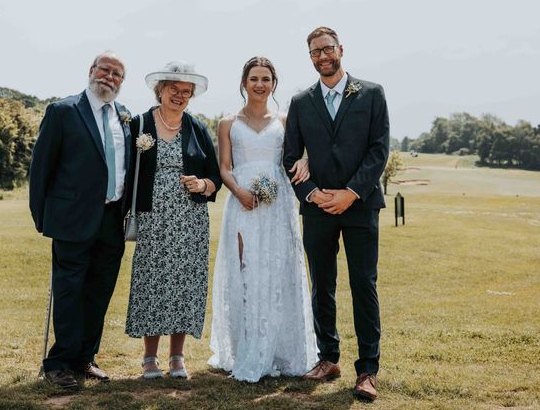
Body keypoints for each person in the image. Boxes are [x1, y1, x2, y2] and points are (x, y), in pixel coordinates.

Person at [283, 27, 390, 401]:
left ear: (340, 49)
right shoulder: (300, 102)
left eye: (327, 49)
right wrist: (311, 194)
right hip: (318, 210)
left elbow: (378, 151)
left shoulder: (372, 93)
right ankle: (328, 358)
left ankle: (367, 371)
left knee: (363, 285)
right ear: (310, 57)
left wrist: (350, 193)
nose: (322, 56)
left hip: (360, 206)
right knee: (321, 285)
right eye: (315, 52)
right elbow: (291, 158)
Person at [208, 57, 318, 382]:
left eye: (266, 79)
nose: (259, 84)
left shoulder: (285, 120)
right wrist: (240, 193)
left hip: (277, 204)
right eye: (253, 78)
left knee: (277, 272)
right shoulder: (228, 122)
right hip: (242, 203)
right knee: (245, 272)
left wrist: (307, 163)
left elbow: (303, 154)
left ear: (273, 84)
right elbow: (224, 167)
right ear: (244, 82)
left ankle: (279, 350)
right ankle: (246, 347)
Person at [29, 51, 132, 388]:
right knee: (70, 290)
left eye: (117, 74)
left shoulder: (125, 117)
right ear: (91, 71)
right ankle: (58, 362)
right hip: (71, 218)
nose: (110, 77)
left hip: (111, 218)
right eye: (105, 70)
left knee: (99, 291)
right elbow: (42, 167)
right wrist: (42, 216)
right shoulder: (63, 111)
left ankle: (85, 358)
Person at [125, 61, 221, 379]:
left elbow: (215, 177)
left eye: (186, 92)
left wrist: (203, 185)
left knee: (184, 284)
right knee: (152, 283)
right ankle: (149, 358)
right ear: (160, 90)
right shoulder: (139, 125)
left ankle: (177, 357)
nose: (179, 96)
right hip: (153, 217)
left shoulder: (198, 128)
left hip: (190, 218)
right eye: (173, 89)